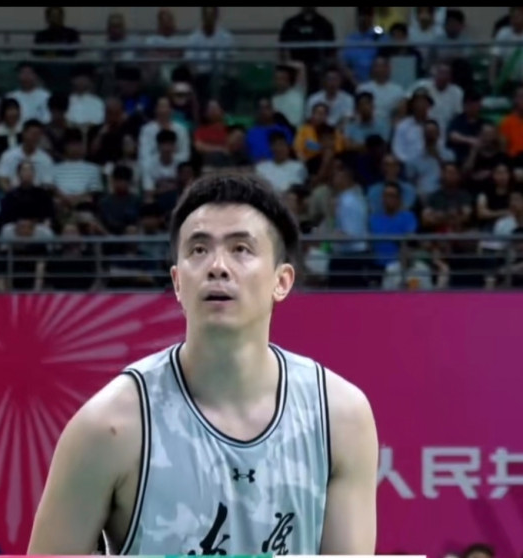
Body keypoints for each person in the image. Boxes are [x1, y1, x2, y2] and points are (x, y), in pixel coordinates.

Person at [28, 173, 379, 555]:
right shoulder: (108, 427)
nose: (217, 266)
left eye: (241, 248)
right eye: (198, 250)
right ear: (178, 282)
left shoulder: (340, 417)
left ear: (282, 281)